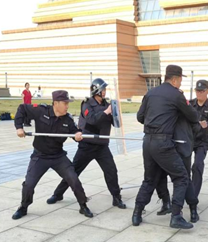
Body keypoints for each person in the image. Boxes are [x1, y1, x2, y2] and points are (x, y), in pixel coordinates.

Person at [132, 65, 199, 229]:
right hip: (163, 143)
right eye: (180, 80)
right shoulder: (176, 95)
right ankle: (176, 216)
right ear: (175, 79)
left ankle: (137, 214)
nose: (180, 83)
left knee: (149, 179)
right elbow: (193, 116)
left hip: (147, 142)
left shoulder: (151, 93)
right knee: (181, 177)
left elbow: (140, 117)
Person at [12, 90, 93, 220]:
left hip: (58, 156)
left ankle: (83, 205)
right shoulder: (41, 111)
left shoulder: (67, 119)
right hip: (40, 156)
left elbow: (75, 133)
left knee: (73, 179)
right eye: (65, 103)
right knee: (29, 184)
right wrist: (19, 127)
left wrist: (78, 135)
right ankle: (23, 207)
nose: (67, 106)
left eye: (68, 103)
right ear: (56, 103)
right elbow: (22, 108)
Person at [47, 78, 126, 209]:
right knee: (73, 171)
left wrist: (116, 113)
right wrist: (106, 112)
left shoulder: (108, 105)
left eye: (105, 89)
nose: (104, 92)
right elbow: (92, 119)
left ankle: (116, 198)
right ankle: (58, 194)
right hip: (87, 145)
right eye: (102, 89)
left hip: (102, 146)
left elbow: (116, 124)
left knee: (111, 171)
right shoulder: (87, 104)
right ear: (96, 91)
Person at [190, 80, 208, 203]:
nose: (199, 93)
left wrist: (207, 124)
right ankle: (183, 192)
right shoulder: (190, 104)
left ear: (207, 91)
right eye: (197, 91)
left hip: (202, 141)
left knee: (197, 166)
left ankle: (193, 197)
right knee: (182, 167)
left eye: (202, 91)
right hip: (190, 139)